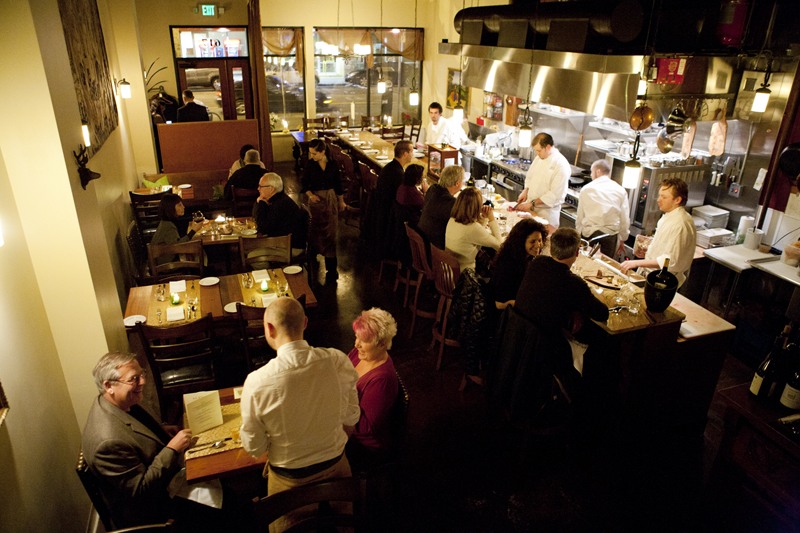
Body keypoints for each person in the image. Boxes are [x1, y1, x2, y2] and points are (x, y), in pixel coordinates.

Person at [240, 298, 360, 533]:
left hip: (288, 482)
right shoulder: (337, 360)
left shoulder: (256, 382)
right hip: (338, 470)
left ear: (269, 329)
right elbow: (351, 417)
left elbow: (254, 448)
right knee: (345, 528)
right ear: (305, 323)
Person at [81, 352, 220, 529]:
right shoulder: (107, 443)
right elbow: (141, 491)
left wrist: (161, 429)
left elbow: (137, 429)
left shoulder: (118, 400)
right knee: (226, 502)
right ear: (109, 386)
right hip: (152, 508)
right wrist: (172, 449)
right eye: (134, 378)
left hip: (163, 482)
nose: (143, 382)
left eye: (141, 374)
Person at [515, 227, 609, 336]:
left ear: (550, 249)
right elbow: (602, 314)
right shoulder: (574, 283)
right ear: (577, 252)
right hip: (544, 344)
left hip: (518, 333)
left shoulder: (536, 263)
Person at [345, 308, 400, 470]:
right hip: (347, 428)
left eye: (364, 341)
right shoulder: (358, 353)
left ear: (382, 344)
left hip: (365, 448)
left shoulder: (383, 379)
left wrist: (341, 394)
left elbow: (365, 429)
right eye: (357, 337)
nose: (356, 344)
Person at [620, 177, 696, 288]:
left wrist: (636, 263)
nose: (658, 200)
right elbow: (666, 244)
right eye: (660, 195)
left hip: (663, 281)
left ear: (677, 200)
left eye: (664, 197)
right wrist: (648, 249)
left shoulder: (680, 224)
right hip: (651, 275)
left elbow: (670, 261)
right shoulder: (669, 216)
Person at [302, 138, 346, 281]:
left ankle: (331, 270)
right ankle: (313, 255)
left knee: (330, 232)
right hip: (315, 201)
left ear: (322, 152)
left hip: (330, 199)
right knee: (315, 229)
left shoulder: (333, 165)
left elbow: (338, 185)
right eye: (310, 153)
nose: (312, 156)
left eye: (314, 154)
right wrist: (310, 196)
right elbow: (304, 183)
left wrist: (341, 202)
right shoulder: (310, 165)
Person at [489, 218, 549, 310]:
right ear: (521, 242)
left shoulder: (525, 258)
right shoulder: (507, 266)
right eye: (532, 241)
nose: (538, 245)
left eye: (540, 240)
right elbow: (498, 304)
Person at [576, 159, 630, 258]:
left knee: (586, 260)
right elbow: (625, 218)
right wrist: (622, 239)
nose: (591, 176)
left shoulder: (586, 189)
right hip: (610, 235)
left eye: (592, 172)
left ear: (598, 171)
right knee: (606, 263)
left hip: (589, 233)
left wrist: (578, 234)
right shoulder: (620, 190)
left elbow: (580, 216)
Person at [516, 132, 570, 228]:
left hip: (547, 214)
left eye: (539, 150)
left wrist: (531, 203)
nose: (537, 153)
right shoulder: (539, 158)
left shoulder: (561, 165)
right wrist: (525, 191)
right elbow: (530, 176)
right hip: (531, 210)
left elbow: (553, 195)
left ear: (548, 147)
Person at [445, 187, 502, 272]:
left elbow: (477, 235)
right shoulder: (473, 228)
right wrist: (491, 218)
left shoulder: (452, 219)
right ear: (477, 207)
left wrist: (484, 218)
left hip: (448, 272)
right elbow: (500, 246)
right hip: (464, 277)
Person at [252, 173, 307, 255]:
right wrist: (260, 202)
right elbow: (258, 220)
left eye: (261, 186)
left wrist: (261, 203)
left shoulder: (281, 204)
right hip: (281, 242)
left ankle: (274, 267)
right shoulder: (277, 200)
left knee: (252, 257)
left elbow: (262, 228)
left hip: (291, 247)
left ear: (271, 189)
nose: (258, 189)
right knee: (247, 249)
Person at [418, 165, 464, 250]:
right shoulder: (451, 202)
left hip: (423, 242)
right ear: (457, 183)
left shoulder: (432, 189)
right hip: (436, 251)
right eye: (462, 180)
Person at [150, 193, 204, 264]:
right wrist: (193, 231)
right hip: (164, 265)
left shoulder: (165, 222)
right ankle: (203, 272)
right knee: (199, 251)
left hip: (162, 260)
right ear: (171, 208)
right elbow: (177, 247)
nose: (183, 207)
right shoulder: (169, 226)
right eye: (179, 205)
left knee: (197, 252)